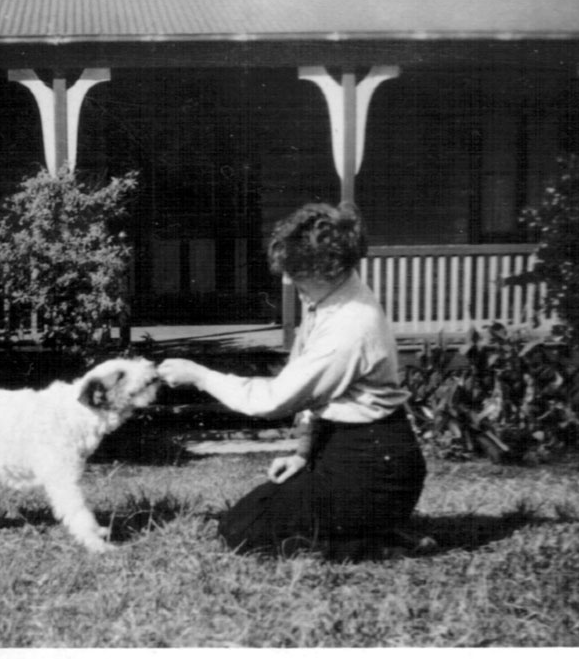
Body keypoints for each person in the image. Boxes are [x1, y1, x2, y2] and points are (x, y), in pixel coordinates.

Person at [158, 201, 427, 559]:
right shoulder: (332, 296)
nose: (288, 280)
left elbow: (274, 399)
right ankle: (370, 531)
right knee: (245, 517)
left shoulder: (349, 325)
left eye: (297, 272)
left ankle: (374, 541)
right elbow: (323, 397)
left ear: (326, 269)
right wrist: (304, 454)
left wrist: (200, 376)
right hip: (348, 448)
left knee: (245, 534)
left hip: (377, 466)